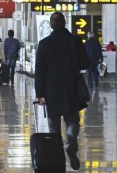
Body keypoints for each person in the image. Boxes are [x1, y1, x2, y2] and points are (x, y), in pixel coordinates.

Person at [35, 12, 90, 171]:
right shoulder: (75, 40)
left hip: (51, 91)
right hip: (71, 88)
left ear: (51, 25)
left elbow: (40, 71)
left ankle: (58, 155)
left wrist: (40, 94)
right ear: (65, 23)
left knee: (53, 126)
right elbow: (85, 63)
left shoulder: (44, 43)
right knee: (72, 120)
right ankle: (70, 143)